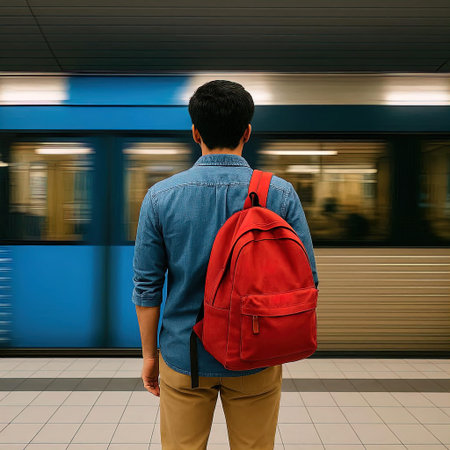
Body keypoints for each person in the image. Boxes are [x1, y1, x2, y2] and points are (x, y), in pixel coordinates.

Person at [132, 80, 319, 450]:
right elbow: (308, 279)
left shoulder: (160, 197)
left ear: (195, 132)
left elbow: (146, 287)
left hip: (184, 356)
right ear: (247, 132)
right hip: (256, 354)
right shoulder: (279, 193)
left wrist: (150, 357)